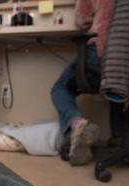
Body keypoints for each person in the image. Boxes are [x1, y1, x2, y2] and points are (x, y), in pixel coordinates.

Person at [51, 0, 115, 166]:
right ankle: (118, 142)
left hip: (101, 51)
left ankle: (77, 124)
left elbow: (82, 19)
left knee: (60, 88)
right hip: (125, 59)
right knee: (119, 91)